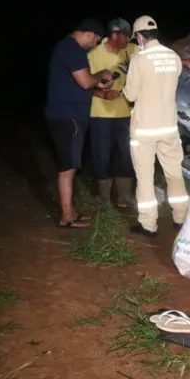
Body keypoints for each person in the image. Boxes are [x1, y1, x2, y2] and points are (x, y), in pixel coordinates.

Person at [122, 15, 189, 238]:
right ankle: (181, 218)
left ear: (140, 36)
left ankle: (148, 225)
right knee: (175, 175)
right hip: (169, 127)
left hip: (144, 130)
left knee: (145, 178)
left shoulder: (139, 59)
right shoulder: (174, 57)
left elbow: (130, 95)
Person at [45, 18, 115, 228]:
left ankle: (71, 211)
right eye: (95, 41)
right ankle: (66, 215)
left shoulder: (68, 48)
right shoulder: (72, 49)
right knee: (68, 166)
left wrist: (101, 92)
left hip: (68, 115)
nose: (94, 45)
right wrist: (101, 74)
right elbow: (85, 81)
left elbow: (77, 86)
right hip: (68, 117)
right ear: (89, 35)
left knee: (71, 165)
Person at [87, 18, 139, 207]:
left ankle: (124, 195)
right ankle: (104, 198)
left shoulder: (131, 51)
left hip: (126, 114)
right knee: (101, 155)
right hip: (100, 114)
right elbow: (81, 85)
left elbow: (152, 59)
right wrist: (102, 93)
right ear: (115, 36)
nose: (129, 41)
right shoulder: (93, 55)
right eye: (126, 37)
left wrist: (182, 61)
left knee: (129, 153)